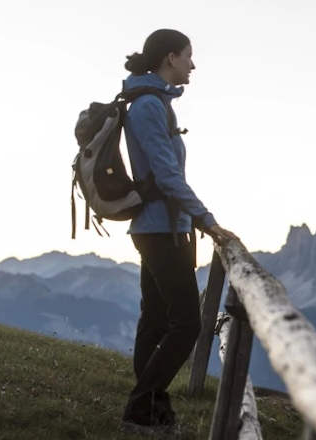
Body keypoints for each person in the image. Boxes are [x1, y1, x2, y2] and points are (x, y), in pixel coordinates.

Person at [118, 28, 239, 435]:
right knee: (186, 324)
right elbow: (167, 175)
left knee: (153, 320)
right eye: (188, 55)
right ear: (170, 58)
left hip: (160, 228)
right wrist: (206, 219)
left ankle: (151, 409)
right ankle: (141, 406)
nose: (193, 63)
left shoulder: (150, 102)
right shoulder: (149, 106)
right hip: (161, 229)